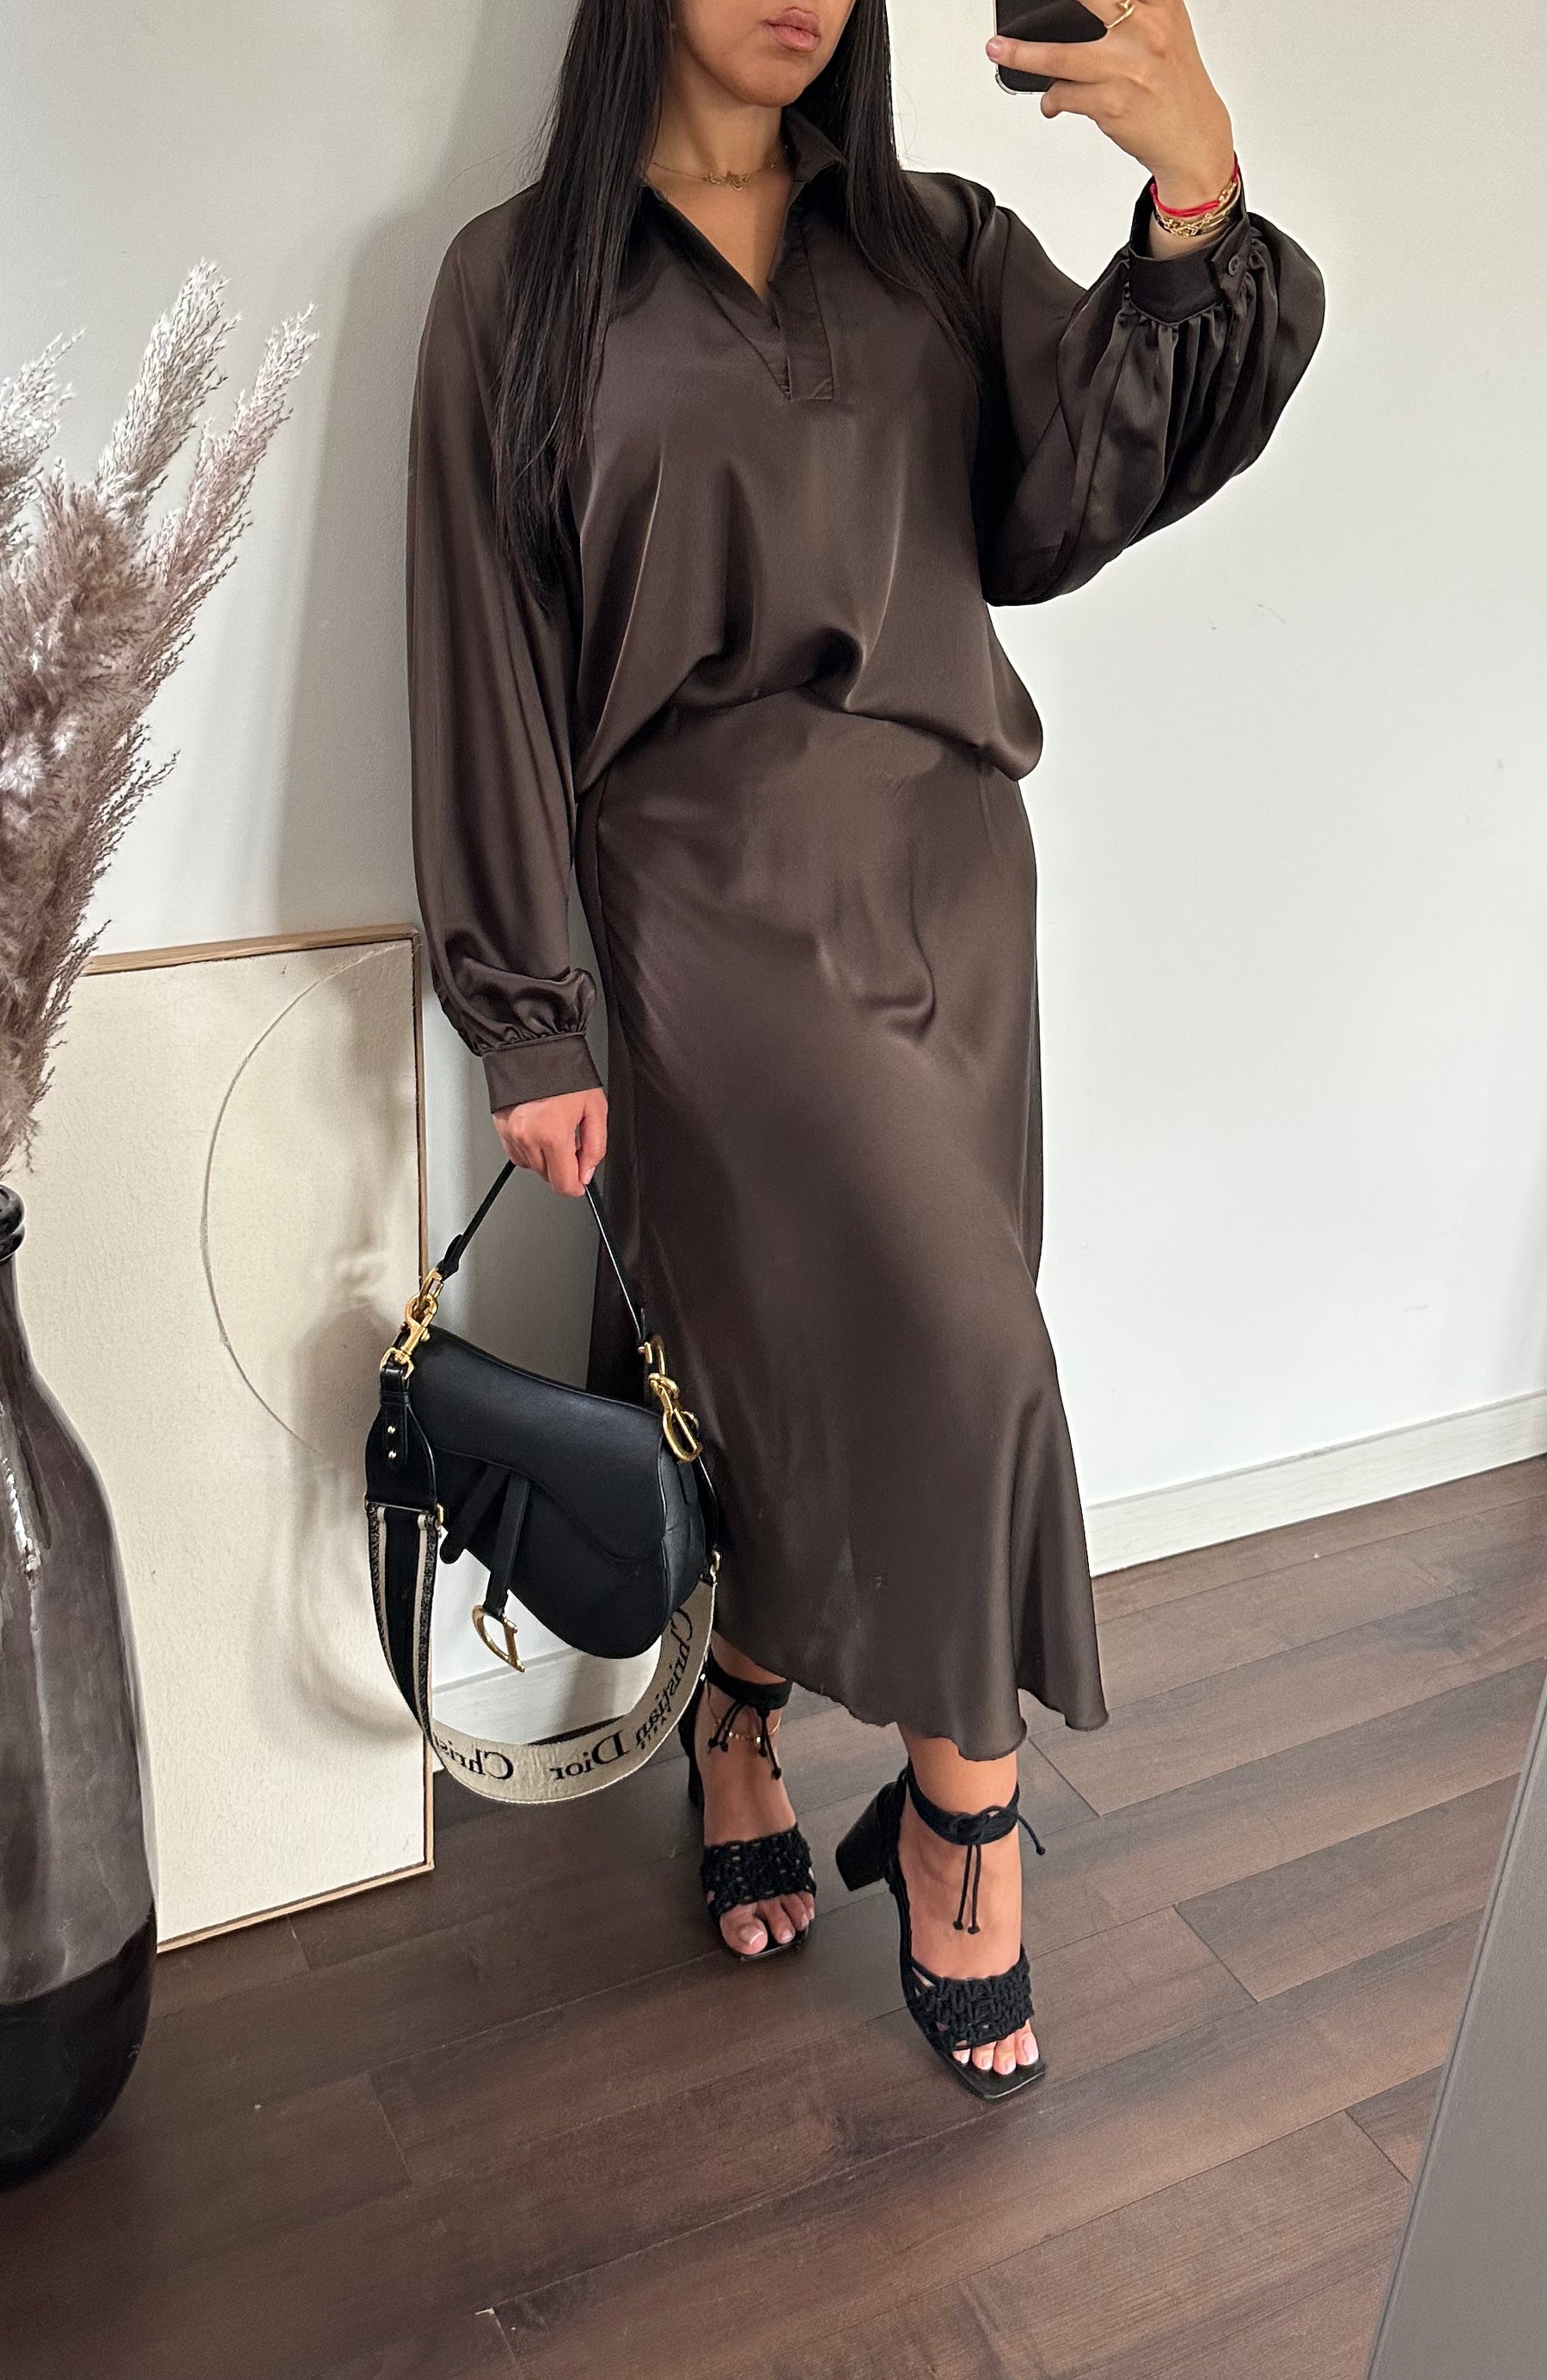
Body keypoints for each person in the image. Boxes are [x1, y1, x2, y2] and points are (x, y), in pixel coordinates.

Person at [407, 0, 1322, 2096]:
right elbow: (482, 650)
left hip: (948, 880)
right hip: (695, 893)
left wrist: (1194, 193)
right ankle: (961, 1820)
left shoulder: (932, 242)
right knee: (965, 1354)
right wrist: (529, 1016)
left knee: (850, 1364)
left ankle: (735, 1719)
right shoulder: (516, 283)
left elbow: (1070, 500)